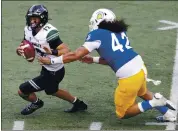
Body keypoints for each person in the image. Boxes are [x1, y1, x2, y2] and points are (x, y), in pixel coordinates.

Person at [38, 9, 176, 122]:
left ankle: (155, 102)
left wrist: (52, 61)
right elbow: (113, 57)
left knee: (123, 113)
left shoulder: (96, 34)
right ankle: (169, 114)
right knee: (142, 92)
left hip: (129, 75)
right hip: (139, 66)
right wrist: (93, 60)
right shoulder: (120, 31)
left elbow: (75, 55)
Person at [16, 4, 87, 115]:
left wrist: (52, 52)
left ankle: (36, 103)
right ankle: (78, 103)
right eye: (31, 18)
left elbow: (66, 50)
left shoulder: (48, 33)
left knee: (22, 90)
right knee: (52, 91)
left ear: (42, 19)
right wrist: (20, 50)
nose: (32, 21)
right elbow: (25, 46)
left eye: (35, 18)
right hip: (47, 68)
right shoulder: (28, 30)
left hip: (54, 71)